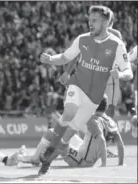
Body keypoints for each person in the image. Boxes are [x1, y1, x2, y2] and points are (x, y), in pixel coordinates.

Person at [38, 5, 133, 176]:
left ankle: (47, 161)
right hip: (77, 84)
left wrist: (120, 74)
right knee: (68, 112)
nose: (90, 23)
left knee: (67, 138)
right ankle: (51, 147)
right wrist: (51, 59)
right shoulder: (82, 39)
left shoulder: (116, 45)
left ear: (105, 23)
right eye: (89, 20)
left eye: (94, 21)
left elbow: (129, 71)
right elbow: (66, 57)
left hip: (94, 98)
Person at [21, 95, 125, 167]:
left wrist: (104, 164)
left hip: (81, 160)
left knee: (53, 135)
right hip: (84, 152)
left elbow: (101, 140)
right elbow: (120, 145)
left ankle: (35, 159)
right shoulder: (111, 121)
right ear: (106, 106)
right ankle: (38, 157)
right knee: (66, 135)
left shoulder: (92, 119)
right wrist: (121, 163)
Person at [59, 11, 123, 119]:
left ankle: (103, 132)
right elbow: (78, 53)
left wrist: (67, 72)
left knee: (106, 109)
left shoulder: (112, 34)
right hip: (101, 77)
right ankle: (97, 132)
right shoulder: (93, 34)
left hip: (105, 77)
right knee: (104, 109)